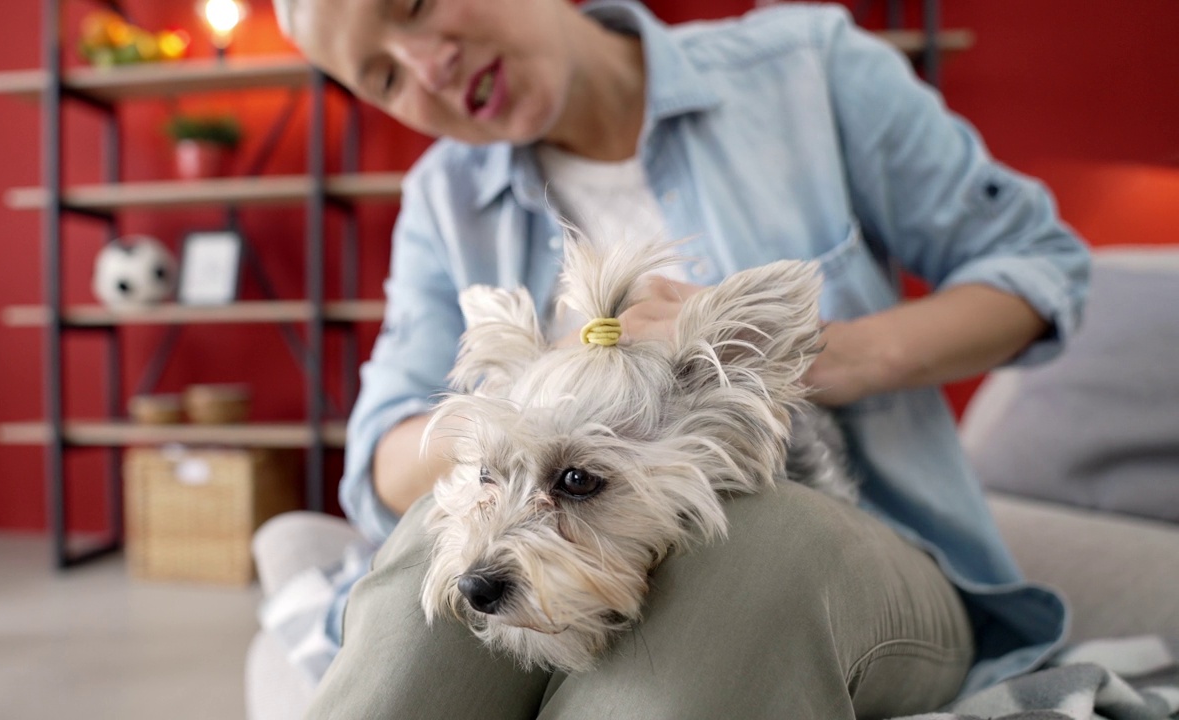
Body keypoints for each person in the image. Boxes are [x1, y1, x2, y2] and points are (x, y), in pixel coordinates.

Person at [265, 0, 1090, 717]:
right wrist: (543, 395)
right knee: (433, 550)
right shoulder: (442, 202)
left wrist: (821, 357)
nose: (425, 67)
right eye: (382, 80)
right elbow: (383, 461)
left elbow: (1040, 264)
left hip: (874, 552)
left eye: (411, 4)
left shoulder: (808, 69)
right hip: (564, 534)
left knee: (752, 545)